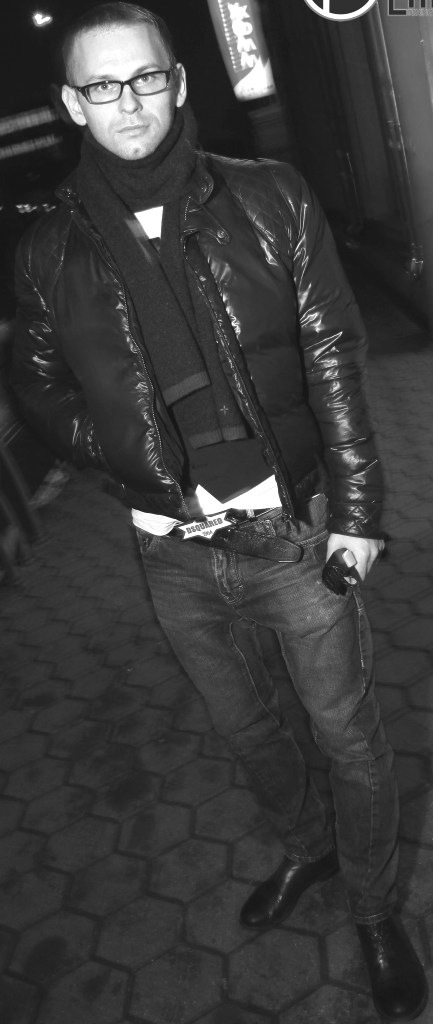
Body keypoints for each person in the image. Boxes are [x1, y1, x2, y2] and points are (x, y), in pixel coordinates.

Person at [11, 4, 427, 1019]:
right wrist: (131, 459)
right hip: (170, 550)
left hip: (292, 530)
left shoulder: (268, 197)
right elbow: (38, 384)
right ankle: (308, 850)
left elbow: (332, 357)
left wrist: (358, 512)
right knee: (248, 731)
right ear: (72, 103)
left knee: (346, 736)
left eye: (145, 77)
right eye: (101, 85)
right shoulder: (47, 246)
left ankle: (375, 907)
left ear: (179, 81)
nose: (128, 102)